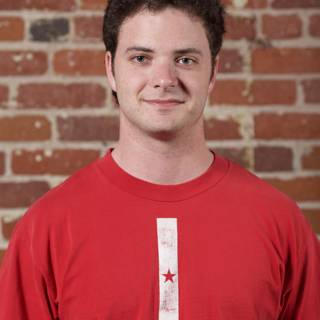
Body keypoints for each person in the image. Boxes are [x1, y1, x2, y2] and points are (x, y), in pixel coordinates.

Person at [0, 0, 319, 318]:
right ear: (110, 69)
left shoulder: (280, 222)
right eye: (141, 58)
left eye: (185, 59)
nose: (164, 79)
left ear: (213, 72)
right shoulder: (47, 227)